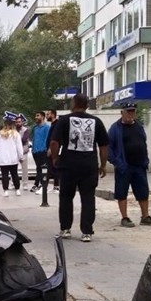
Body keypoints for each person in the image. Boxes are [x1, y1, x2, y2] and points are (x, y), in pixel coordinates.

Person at [47, 93, 108, 241]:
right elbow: (104, 145)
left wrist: (55, 158)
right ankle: (87, 232)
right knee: (88, 198)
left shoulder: (64, 120)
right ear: (87, 105)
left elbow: (54, 142)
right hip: (89, 165)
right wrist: (103, 165)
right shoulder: (96, 121)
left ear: (73, 104)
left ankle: (65, 229)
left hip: (68, 165)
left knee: (66, 197)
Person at [107, 103, 151, 228]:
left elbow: (143, 143)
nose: (130, 114)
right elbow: (109, 147)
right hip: (124, 166)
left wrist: (145, 160)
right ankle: (124, 218)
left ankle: (145, 216)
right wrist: (117, 162)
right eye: (128, 111)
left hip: (139, 165)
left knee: (143, 192)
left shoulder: (139, 126)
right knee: (121, 192)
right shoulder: (115, 128)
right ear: (122, 113)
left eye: (133, 111)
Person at [0, 116, 24, 196]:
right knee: (14, 174)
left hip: (3, 159)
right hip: (13, 158)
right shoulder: (16, 134)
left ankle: (6, 191)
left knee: (4, 175)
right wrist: (21, 157)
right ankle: (17, 190)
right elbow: (19, 147)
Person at [28, 111, 49, 192]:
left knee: (42, 169)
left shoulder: (47, 127)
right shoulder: (35, 128)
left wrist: (45, 149)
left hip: (43, 151)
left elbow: (47, 139)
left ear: (43, 117)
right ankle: (37, 184)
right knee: (38, 168)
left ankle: (41, 185)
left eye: (38, 116)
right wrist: (33, 149)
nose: (36, 117)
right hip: (35, 152)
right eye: (35, 116)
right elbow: (34, 139)